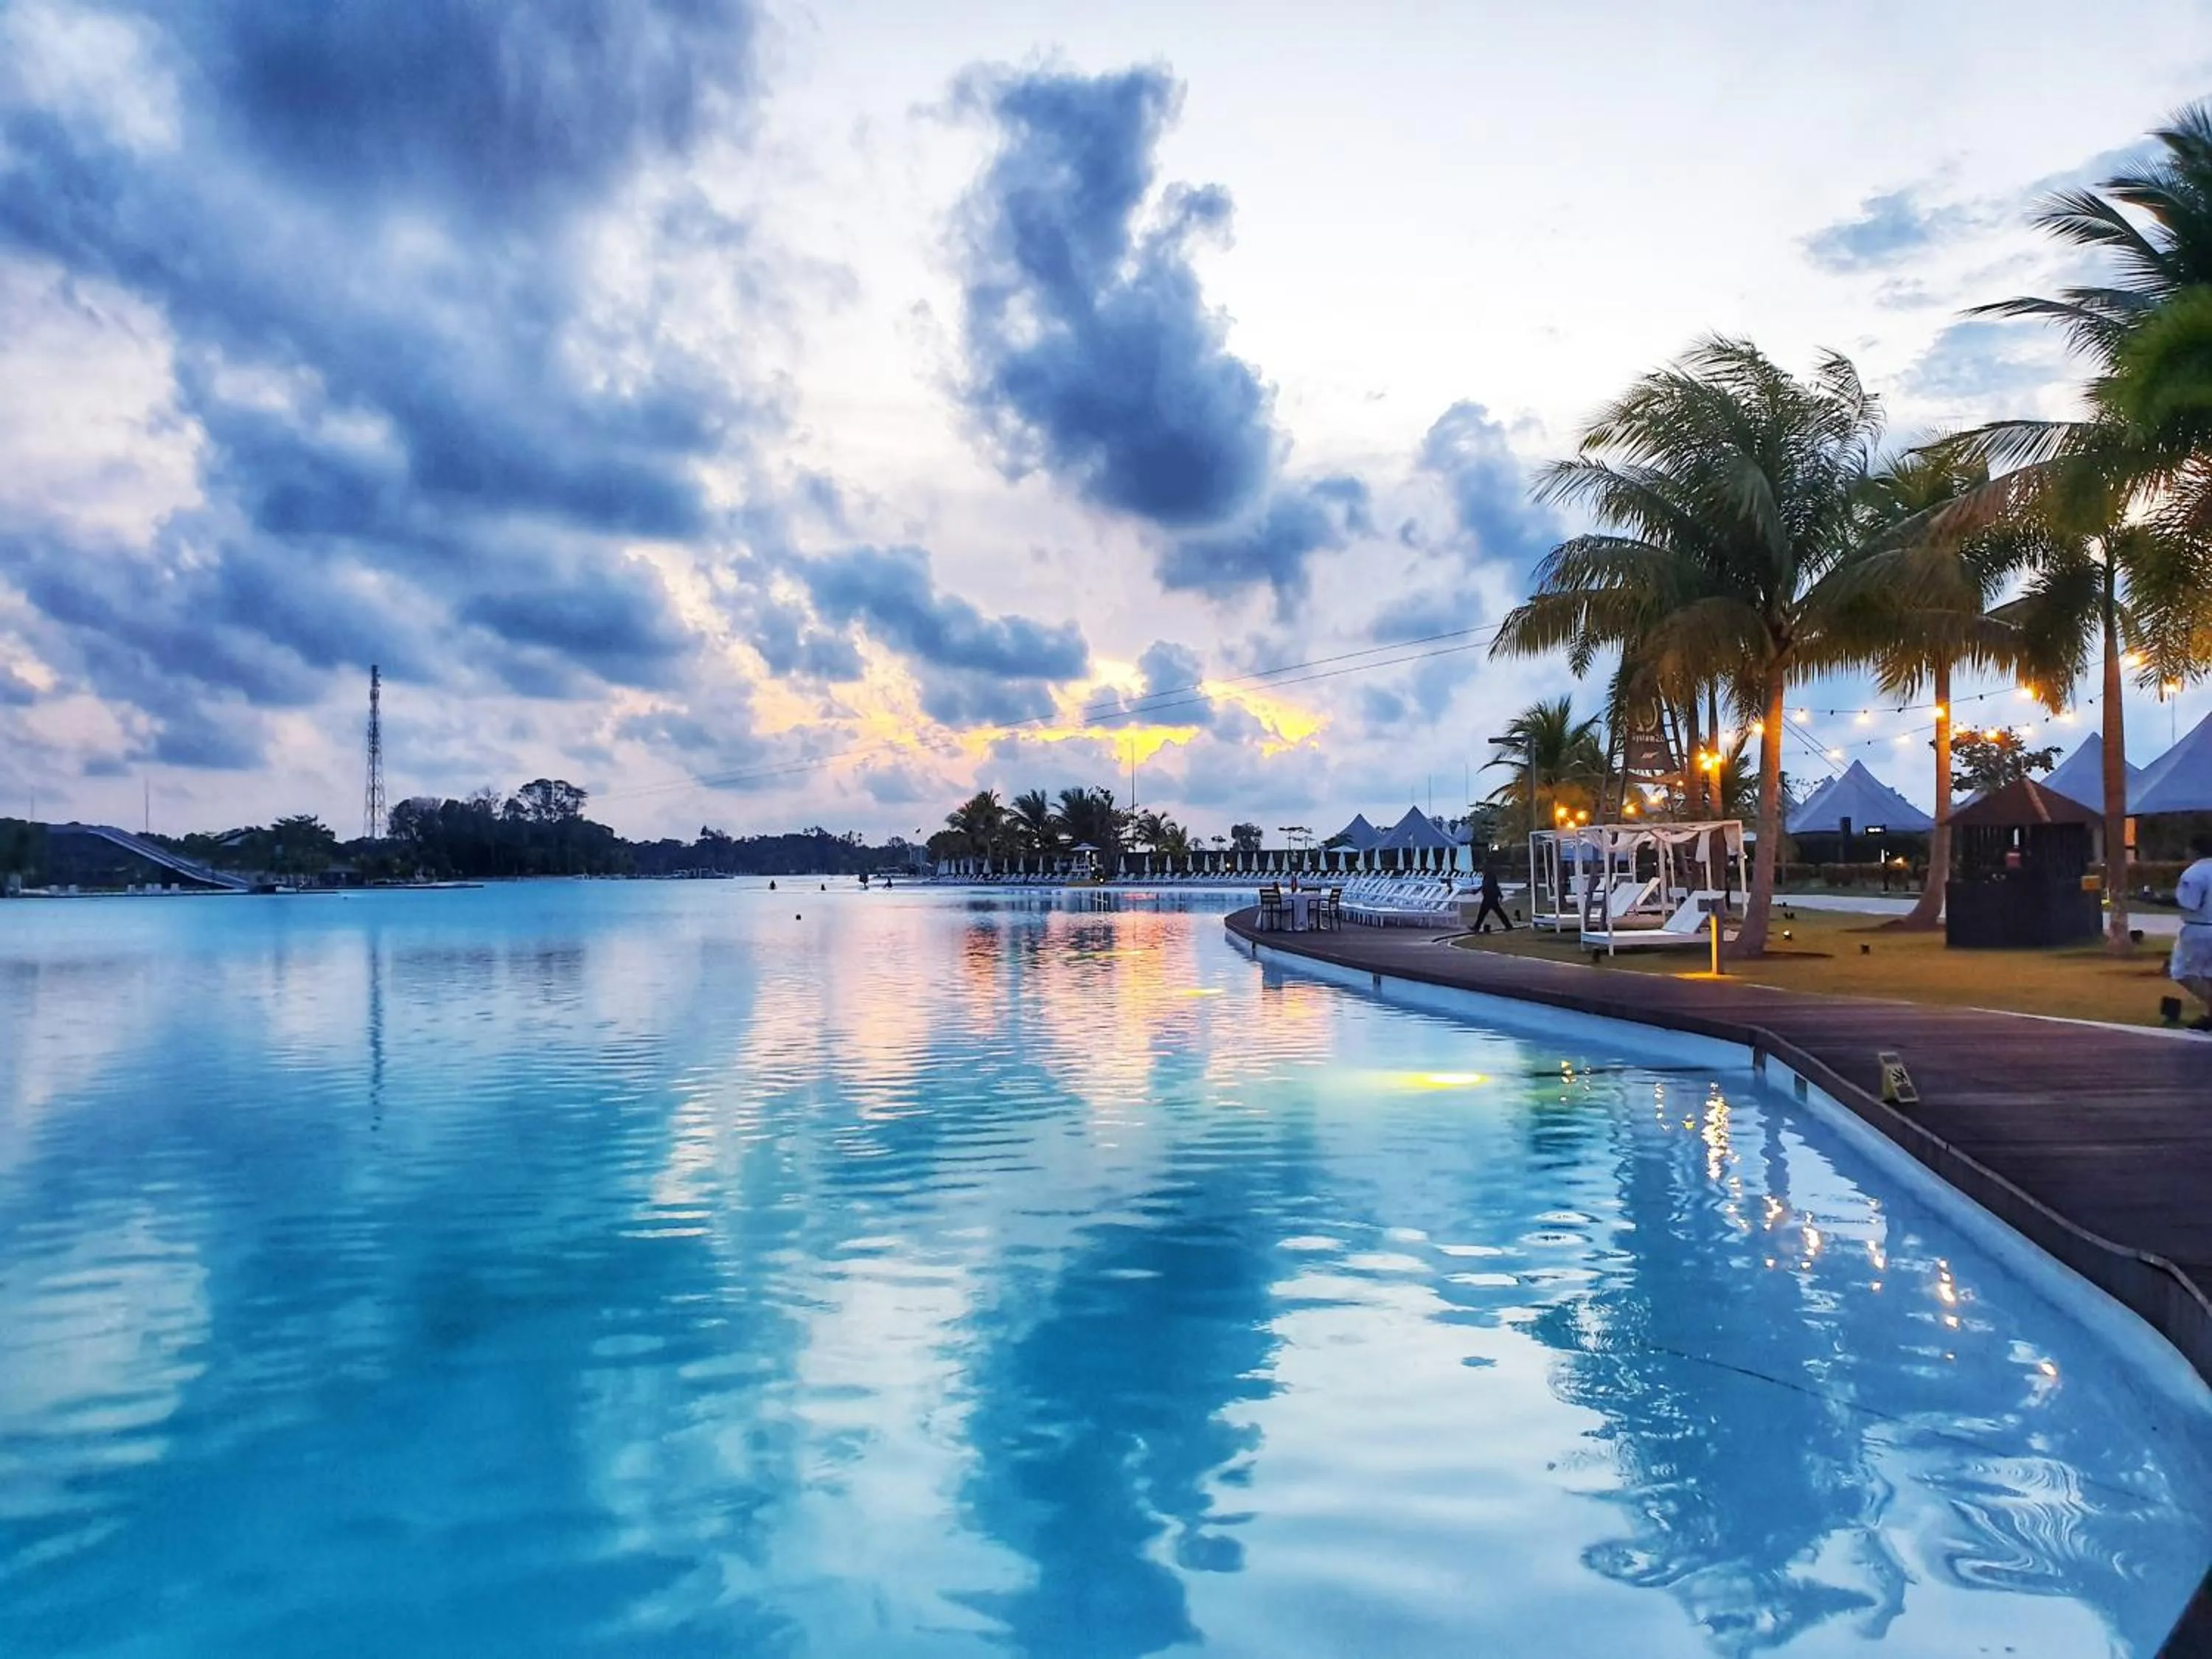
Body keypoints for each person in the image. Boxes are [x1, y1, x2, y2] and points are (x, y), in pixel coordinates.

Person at [2172, 831, 2212, 1032]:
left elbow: (2189, 903)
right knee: (2208, 974)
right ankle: (2209, 1016)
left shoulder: (2194, 873)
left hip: (2199, 929)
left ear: (2194, 850)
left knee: (2183, 972)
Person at [1472, 865, 1512, 933]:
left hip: (1489, 898)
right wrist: (1500, 895)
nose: (1482, 872)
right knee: (1499, 913)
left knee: (1483, 913)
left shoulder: (1489, 877)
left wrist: (1477, 890)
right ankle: (1508, 926)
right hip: (1492, 897)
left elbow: (1486, 885)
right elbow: (1496, 886)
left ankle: (1476, 927)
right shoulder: (1492, 876)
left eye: (1483, 871)